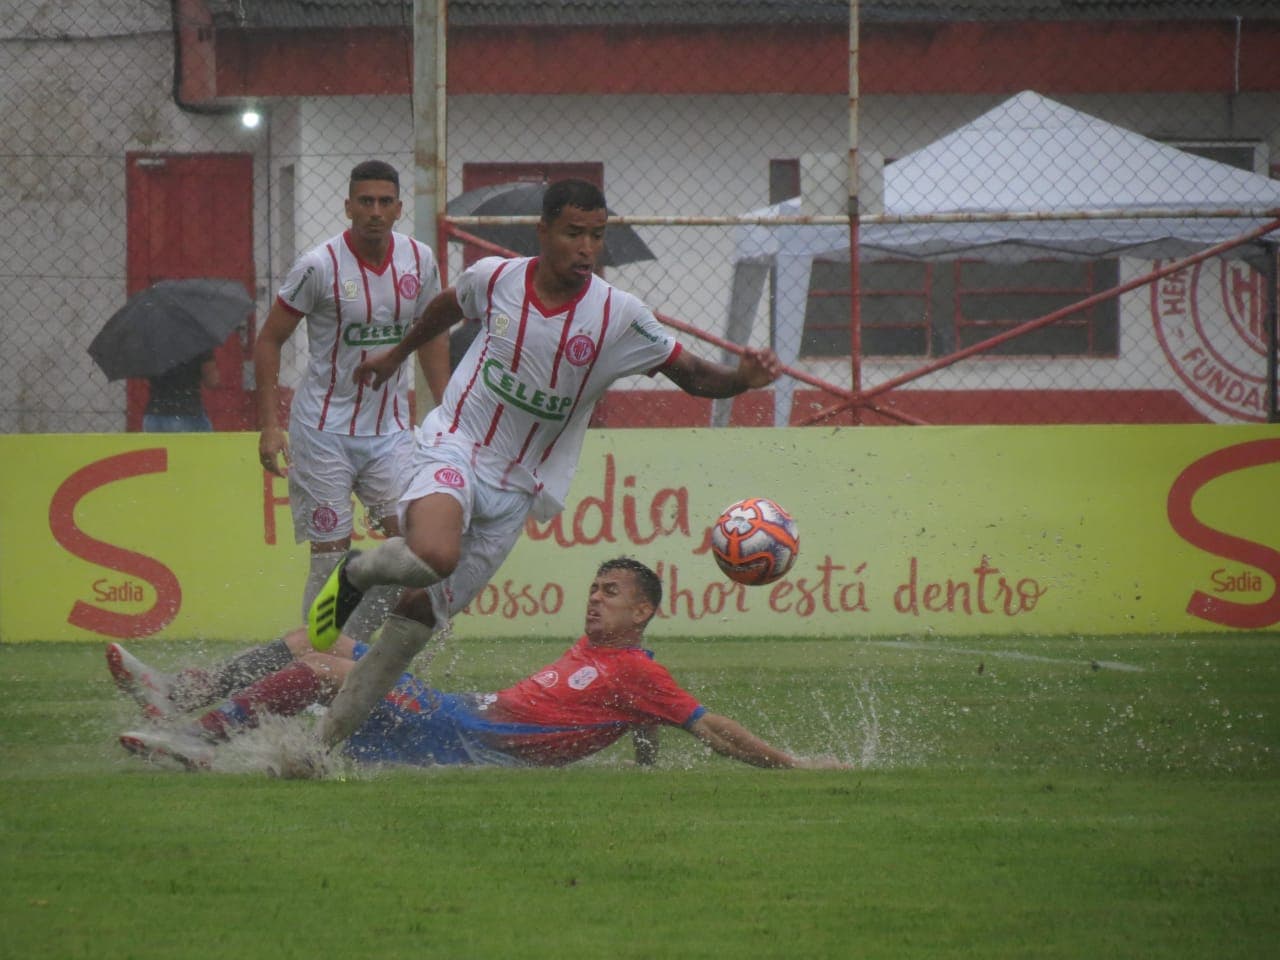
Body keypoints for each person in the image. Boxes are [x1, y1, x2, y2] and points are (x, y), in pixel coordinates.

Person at [306, 178, 784, 749]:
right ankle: (358, 571)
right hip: (457, 444)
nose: (586, 248)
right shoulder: (497, 279)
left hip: (518, 488)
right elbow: (448, 306)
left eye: (597, 236)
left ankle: (317, 748)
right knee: (434, 552)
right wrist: (397, 355)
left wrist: (741, 380)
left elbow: (694, 375)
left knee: (415, 625)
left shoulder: (620, 316)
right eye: (573, 233)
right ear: (544, 232)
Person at [112, 558, 846, 772]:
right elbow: (641, 722)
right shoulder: (608, 660)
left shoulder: (639, 673)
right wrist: (644, 767)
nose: (595, 602)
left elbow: (707, 725)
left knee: (330, 672)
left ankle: (198, 739)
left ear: (644, 612)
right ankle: (183, 692)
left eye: (612, 594)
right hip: (458, 708)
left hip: (462, 737)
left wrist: (792, 764)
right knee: (319, 638)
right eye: (593, 589)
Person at [253, 159, 451, 644]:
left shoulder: (420, 259)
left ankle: (361, 650)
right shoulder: (318, 266)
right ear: (348, 206)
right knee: (329, 554)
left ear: (400, 208)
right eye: (366, 201)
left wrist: (445, 412)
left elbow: (430, 333)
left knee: (416, 549)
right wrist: (269, 425)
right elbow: (268, 340)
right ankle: (315, 673)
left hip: (389, 433)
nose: (375, 212)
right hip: (322, 433)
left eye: (385, 202)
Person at [143, 351, 218, 432]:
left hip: (154, 415)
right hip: (188, 412)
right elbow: (211, 381)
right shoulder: (197, 342)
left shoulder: (151, 345)